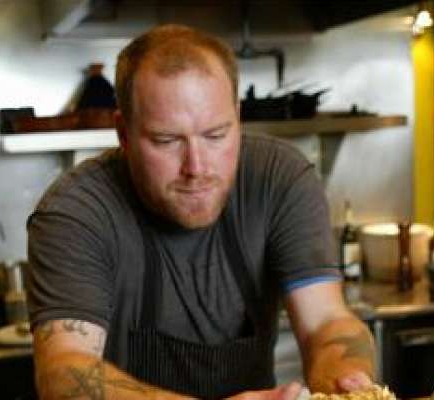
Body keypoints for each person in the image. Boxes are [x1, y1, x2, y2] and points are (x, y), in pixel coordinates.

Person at [25, 24, 377, 400]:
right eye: (167, 140)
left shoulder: (279, 179)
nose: (196, 167)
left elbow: (325, 320)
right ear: (123, 134)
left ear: (238, 118)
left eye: (216, 135)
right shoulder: (76, 212)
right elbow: (64, 373)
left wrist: (345, 380)